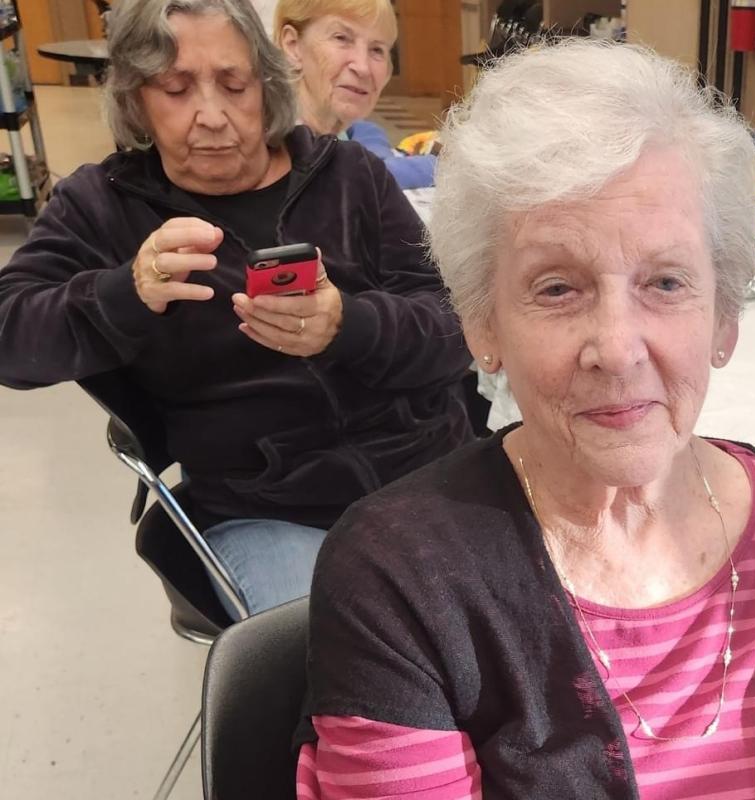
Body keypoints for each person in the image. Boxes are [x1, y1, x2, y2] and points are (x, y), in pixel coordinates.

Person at [297, 39, 755, 799]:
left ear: (724, 317)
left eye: (666, 282)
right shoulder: (400, 578)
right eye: (558, 288)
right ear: (483, 324)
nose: (618, 349)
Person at [0, 0, 472, 618]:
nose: (212, 115)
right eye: (175, 89)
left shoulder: (348, 175)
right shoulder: (102, 206)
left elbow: (453, 326)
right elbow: (11, 335)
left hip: (427, 472)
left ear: (267, 84)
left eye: (233, 84)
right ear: (136, 100)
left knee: (532, 620)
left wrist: (348, 325)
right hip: (266, 508)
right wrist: (125, 293)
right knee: (346, 648)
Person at [274, 0, 437, 189]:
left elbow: (362, 130)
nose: (363, 67)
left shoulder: (331, 128)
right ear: (293, 45)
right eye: (341, 38)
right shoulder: (278, 150)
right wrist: (443, 166)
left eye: (377, 49)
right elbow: (356, 178)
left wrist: (376, 152)